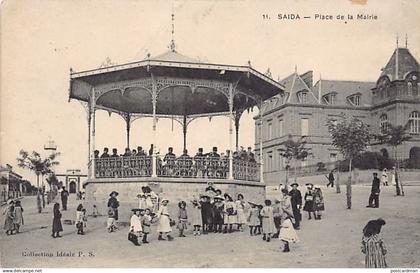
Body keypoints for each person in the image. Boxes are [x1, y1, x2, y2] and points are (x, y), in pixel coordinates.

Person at [279, 188, 299, 252]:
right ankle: (286, 246)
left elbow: (287, 206)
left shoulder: (287, 198)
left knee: (285, 233)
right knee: (284, 233)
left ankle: (286, 247)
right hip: (284, 215)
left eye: (283, 192)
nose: (282, 194)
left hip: (286, 216)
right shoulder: (284, 198)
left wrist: (282, 207)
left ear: (285, 193)